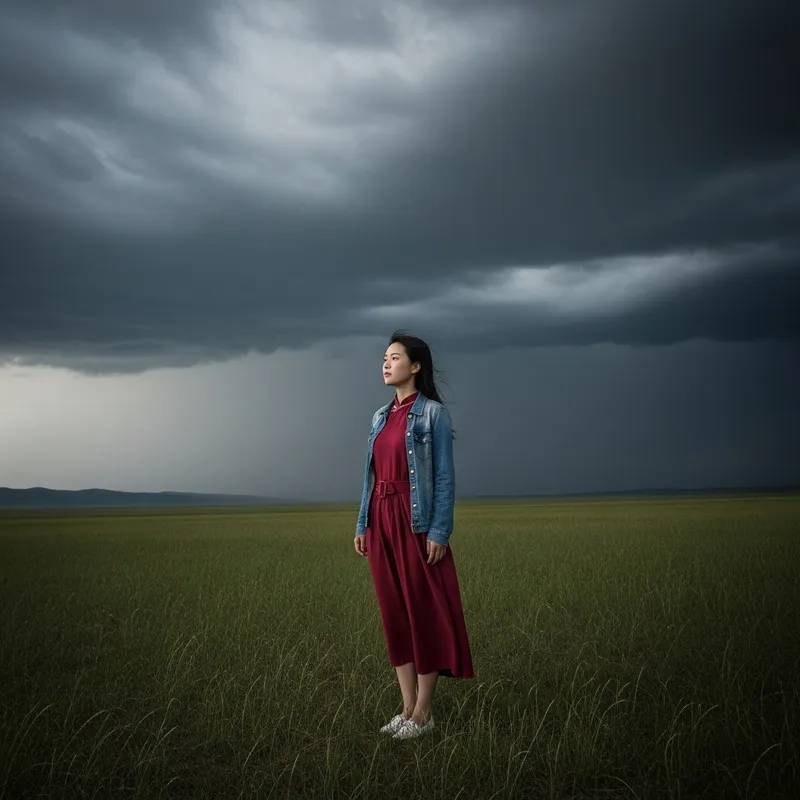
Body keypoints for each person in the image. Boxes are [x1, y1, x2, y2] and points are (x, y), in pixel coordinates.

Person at [354, 331, 475, 740]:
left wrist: (439, 530)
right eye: (384, 358)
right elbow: (370, 477)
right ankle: (405, 709)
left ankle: (424, 713)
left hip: (414, 519)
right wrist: (361, 524)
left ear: (416, 365)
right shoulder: (379, 416)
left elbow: (444, 477)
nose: (386, 364)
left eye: (394, 357)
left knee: (421, 610)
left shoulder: (432, 415)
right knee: (394, 612)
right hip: (380, 518)